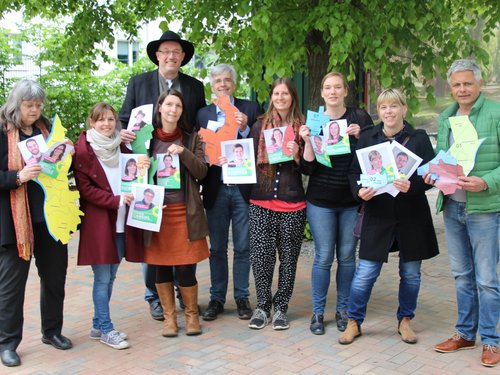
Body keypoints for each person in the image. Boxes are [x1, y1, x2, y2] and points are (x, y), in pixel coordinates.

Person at [339, 88, 439, 345]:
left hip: (411, 215)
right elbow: (353, 172)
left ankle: (405, 320)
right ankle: (354, 321)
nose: (389, 112)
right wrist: (359, 192)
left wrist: (414, 186)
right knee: (366, 272)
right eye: (384, 107)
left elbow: (431, 176)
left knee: (411, 273)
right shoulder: (369, 137)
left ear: (404, 109)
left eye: (394, 106)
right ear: (379, 111)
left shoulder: (418, 138)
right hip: (378, 213)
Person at [120, 30, 206, 320]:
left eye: (176, 52)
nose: (171, 56)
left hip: (181, 173)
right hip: (149, 174)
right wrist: (124, 135)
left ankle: (185, 296)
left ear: (182, 57)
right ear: (157, 55)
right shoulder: (138, 82)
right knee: (152, 243)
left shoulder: (194, 86)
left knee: (182, 248)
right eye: (165, 51)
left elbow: (198, 126)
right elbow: (125, 119)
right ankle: (154, 297)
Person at [427, 59, 499, 368]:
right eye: (456, 85)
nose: (462, 89)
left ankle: (492, 341)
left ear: (479, 84)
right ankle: (465, 333)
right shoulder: (447, 117)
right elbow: (445, 158)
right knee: (461, 275)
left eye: (467, 83)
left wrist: (487, 181)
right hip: (452, 205)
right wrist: (433, 174)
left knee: (486, 279)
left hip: (484, 207)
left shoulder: (496, 113)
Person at [0, 79, 72, 368]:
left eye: (39, 105)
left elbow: (61, 169)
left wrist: (65, 154)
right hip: (16, 223)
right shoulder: (3, 131)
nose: (35, 110)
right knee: (11, 286)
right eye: (30, 105)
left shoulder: (46, 129)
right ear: (16, 104)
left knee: (55, 279)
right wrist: (17, 177)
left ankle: (52, 331)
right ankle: (7, 343)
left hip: (51, 217)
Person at [299, 72, 374, 335]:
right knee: (322, 258)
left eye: (337, 87)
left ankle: (343, 310)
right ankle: (318, 313)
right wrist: (307, 140)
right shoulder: (316, 120)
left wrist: (360, 136)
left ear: (345, 91)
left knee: (346, 258)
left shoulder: (359, 117)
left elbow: (372, 153)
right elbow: (307, 168)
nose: (332, 92)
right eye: (328, 88)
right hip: (320, 200)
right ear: (322, 93)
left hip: (351, 200)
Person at [73, 103, 146, 350]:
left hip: (121, 222)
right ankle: (106, 328)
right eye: (100, 120)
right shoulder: (83, 151)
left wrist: (144, 168)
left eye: (111, 120)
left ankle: (97, 325)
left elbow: (133, 176)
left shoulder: (122, 147)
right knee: (103, 279)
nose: (106, 124)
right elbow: (86, 190)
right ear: (91, 122)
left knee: (111, 277)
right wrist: (115, 201)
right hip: (99, 224)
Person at [196, 63, 262, 321]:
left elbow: (263, 144)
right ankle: (217, 298)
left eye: (227, 80)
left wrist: (245, 127)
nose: (222, 84)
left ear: (234, 84)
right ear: (212, 85)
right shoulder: (203, 114)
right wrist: (211, 159)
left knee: (244, 247)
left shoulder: (250, 109)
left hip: (244, 189)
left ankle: (242, 297)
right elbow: (198, 150)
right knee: (218, 248)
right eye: (217, 81)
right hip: (216, 187)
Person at [145, 89, 209, 337]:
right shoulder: (146, 140)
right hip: (157, 212)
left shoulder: (191, 139)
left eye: (178, 106)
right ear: (160, 107)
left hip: (184, 211)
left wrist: (184, 153)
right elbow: (134, 175)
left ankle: (192, 315)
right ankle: (169, 318)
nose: (173, 110)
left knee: (185, 267)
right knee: (160, 267)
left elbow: (202, 171)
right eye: (169, 104)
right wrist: (141, 163)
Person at [247, 77, 306, 331]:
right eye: (276, 93)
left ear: (292, 96)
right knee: (261, 257)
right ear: (271, 97)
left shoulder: (303, 127)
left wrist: (297, 154)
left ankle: (281, 307)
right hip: (261, 201)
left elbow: (314, 167)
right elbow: (246, 159)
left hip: (292, 203)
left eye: (285, 93)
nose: (280, 97)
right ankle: (262, 306)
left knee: (289, 259)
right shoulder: (259, 126)